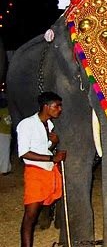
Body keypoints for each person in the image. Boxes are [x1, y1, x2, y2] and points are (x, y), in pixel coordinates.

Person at [16, 91, 67, 247]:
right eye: (56, 106)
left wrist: (53, 143)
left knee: (37, 211)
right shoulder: (26, 124)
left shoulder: (49, 125)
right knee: (30, 217)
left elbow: (42, 148)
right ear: (46, 106)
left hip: (48, 172)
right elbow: (24, 152)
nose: (60, 109)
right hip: (35, 173)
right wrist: (53, 158)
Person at [0, 97, 12, 175]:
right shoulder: (6, 111)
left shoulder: (6, 110)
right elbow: (8, 122)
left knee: (4, 151)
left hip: (5, 133)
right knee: (5, 151)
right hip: (4, 133)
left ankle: (6, 168)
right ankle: (4, 169)